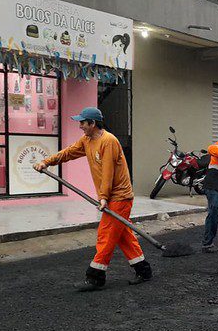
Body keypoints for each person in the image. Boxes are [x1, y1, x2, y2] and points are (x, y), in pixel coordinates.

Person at [34, 107, 152, 291]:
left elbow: (108, 173)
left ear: (93, 123)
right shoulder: (87, 140)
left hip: (120, 196)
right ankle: (143, 270)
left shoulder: (108, 141)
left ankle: (95, 277)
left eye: (82, 122)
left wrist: (103, 197)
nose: (80, 126)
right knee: (122, 235)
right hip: (109, 196)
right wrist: (47, 161)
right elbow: (69, 152)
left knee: (105, 235)